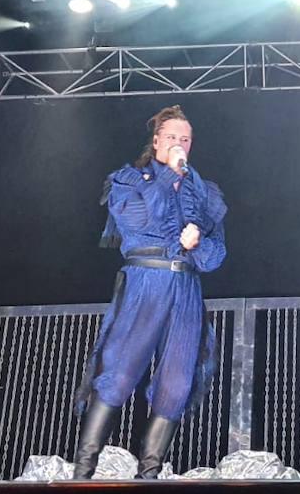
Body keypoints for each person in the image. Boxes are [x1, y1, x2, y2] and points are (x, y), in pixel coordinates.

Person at [74, 105, 227, 479]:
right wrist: (168, 178)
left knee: (177, 381)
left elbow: (216, 256)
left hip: (186, 285)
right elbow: (140, 221)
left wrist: (197, 244)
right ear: (157, 141)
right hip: (146, 280)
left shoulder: (204, 192)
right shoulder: (129, 180)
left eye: (186, 139)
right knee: (120, 372)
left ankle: (149, 475)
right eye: (172, 137)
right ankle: (82, 473)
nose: (180, 144)